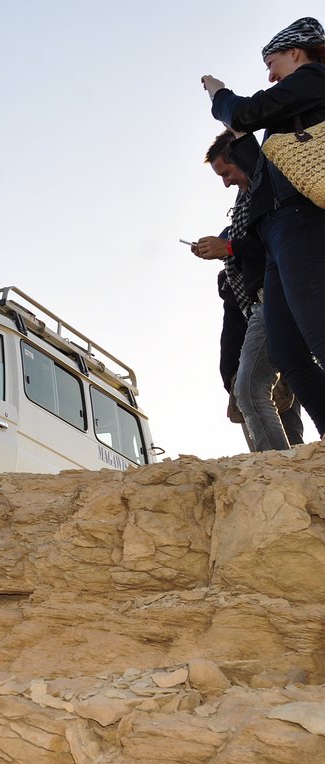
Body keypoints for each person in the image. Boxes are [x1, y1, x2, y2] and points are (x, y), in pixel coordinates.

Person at [202, 17, 325, 437]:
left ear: (296, 52)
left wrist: (219, 94)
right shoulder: (297, 101)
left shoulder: (314, 77)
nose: (270, 75)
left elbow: (247, 111)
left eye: (272, 63)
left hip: (301, 223)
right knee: (289, 353)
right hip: (275, 233)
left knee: (319, 335)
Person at [190, 130, 301, 450]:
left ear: (241, 156)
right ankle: (297, 475)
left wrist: (229, 248)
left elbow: (277, 246)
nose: (225, 183)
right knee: (284, 396)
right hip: (267, 304)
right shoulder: (244, 206)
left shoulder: (273, 191)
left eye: (226, 172)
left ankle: (279, 472)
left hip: (276, 300)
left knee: (252, 390)